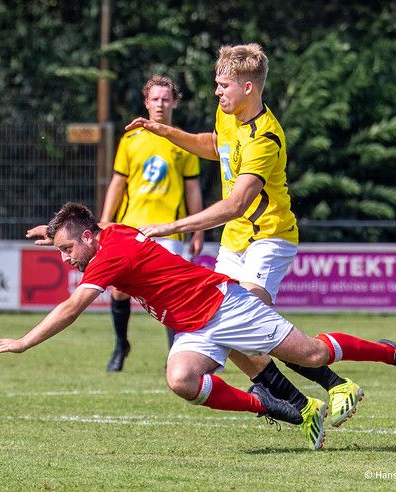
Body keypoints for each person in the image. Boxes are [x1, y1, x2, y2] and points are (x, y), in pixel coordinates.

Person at [0, 203, 396, 440]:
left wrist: (25, 341)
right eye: (59, 253)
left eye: (68, 251)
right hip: (194, 327)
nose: (66, 260)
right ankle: (276, 406)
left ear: (88, 239)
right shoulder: (108, 233)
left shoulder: (110, 254)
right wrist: (53, 234)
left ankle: (394, 352)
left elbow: (71, 308)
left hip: (225, 307)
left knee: (313, 353)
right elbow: (93, 224)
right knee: (180, 379)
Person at [125, 43, 362, 449]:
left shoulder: (267, 137)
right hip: (235, 242)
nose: (217, 93)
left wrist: (170, 227)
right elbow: (213, 148)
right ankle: (303, 408)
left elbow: (235, 205)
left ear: (248, 87)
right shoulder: (229, 114)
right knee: (227, 324)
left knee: (244, 321)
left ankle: (339, 386)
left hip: (268, 237)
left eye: (223, 86)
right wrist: (164, 131)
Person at [99, 75, 204, 372]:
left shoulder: (184, 142)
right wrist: (106, 220)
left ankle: (176, 354)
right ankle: (121, 345)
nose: (160, 104)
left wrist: (197, 228)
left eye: (165, 98)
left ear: (174, 102)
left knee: (171, 294)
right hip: (132, 227)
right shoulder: (130, 138)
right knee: (119, 289)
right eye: (154, 99)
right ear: (146, 102)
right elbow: (118, 183)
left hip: (170, 229)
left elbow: (192, 188)